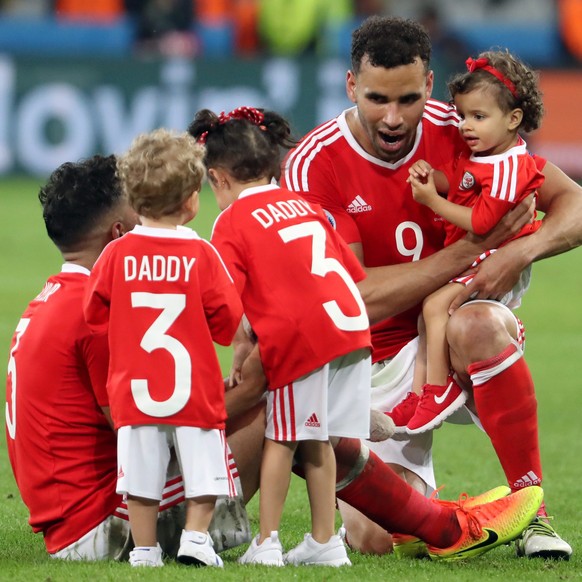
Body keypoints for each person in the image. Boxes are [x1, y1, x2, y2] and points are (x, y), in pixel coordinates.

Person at [281, 15, 580, 559]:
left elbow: (574, 203)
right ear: (350, 86)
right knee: (376, 540)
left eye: (408, 99)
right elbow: (357, 297)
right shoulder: (314, 164)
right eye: (376, 99)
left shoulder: (464, 126)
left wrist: (519, 251)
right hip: (366, 362)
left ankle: (532, 513)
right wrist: (470, 251)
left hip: (447, 335)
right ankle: (455, 513)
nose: (393, 118)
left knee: (480, 322)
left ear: (427, 83)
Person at [5, 154, 263, 562]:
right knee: (274, 405)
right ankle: (384, 520)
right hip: (100, 528)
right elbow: (143, 415)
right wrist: (253, 386)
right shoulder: (99, 315)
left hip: (69, 520)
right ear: (119, 232)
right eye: (141, 210)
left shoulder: (56, 299)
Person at [190, 106, 371, 567]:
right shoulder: (304, 205)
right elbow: (352, 274)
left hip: (303, 340)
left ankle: (266, 543)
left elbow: (229, 303)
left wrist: (237, 349)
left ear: (218, 178)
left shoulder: (231, 221)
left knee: (281, 438)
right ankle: (325, 542)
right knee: (319, 437)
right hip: (351, 328)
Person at [83, 130, 244, 568]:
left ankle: (146, 549)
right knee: (205, 469)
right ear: (192, 200)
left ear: (134, 201)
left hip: (135, 392)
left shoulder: (116, 254)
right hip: (194, 391)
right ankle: (195, 537)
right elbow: (228, 323)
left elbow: (93, 313)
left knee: (140, 478)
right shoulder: (202, 254)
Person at [389, 49, 545, 435]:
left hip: (495, 256)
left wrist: (431, 200)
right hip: (475, 253)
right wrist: (433, 179)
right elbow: (460, 186)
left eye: (478, 117)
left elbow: (483, 222)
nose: (465, 126)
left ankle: (438, 390)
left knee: (436, 304)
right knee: (427, 315)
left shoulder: (510, 165)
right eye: (462, 116)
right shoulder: (484, 154)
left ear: (513, 119)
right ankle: (421, 392)